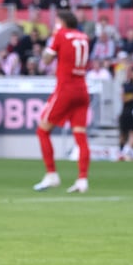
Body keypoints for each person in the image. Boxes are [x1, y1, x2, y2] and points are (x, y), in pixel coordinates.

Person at [32, 10, 91, 193]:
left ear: (62, 22)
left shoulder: (61, 34)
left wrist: (52, 40)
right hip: (82, 89)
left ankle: (51, 174)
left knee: (42, 130)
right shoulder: (83, 36)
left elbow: (46, 60)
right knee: (80, 136)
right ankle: (82, 179)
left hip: (66, 89)